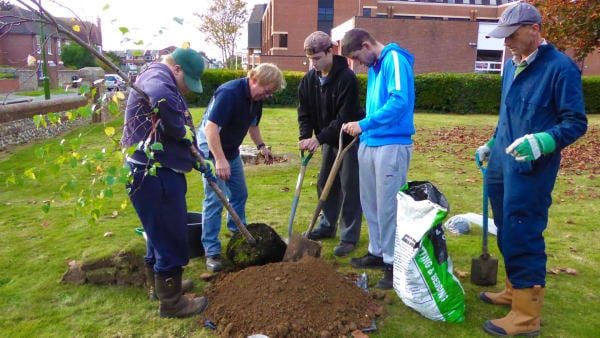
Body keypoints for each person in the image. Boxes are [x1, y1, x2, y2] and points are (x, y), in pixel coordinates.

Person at [477, 3, 587, 336]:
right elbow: (508, 114)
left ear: (534, 30)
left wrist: (542, 142)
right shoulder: (511, 66)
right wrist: (492, 143)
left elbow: (575, 123)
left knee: (523, 228)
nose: (506, 42)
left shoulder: (561, 69)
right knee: (504, 225)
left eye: (512, 35)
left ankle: (526, 316)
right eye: (503, 35)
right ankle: (514, 289)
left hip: (532, 168)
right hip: (502, 161)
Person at [122, 48, 208, 318]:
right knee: (170, 234)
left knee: (157, 234)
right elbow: (161, 100)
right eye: (186, 83)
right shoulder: (159, 81)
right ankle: (172, 302)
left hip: (149, 171)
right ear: (177, 69)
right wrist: (182, 133)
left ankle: (158, 288)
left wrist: (195, 153)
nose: (187, 91)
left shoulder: (154, 76)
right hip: (153, 174)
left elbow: (173, 114)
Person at [340, 28, 415, 289]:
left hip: (392, 144)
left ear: (366, 45)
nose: (357, 64)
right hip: (371, 142)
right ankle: (377, 250)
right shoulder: (376, 67)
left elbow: (399, 102)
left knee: (388, 206)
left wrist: (365, 123)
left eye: (356, 57)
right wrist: (363, 127)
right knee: (369, 202)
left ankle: (394, 263)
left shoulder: (394, 59)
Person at [196, 63, 286, 272]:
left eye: (271, 92)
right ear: (255, 79)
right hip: (210, 149)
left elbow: (252, 125)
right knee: (215, 199)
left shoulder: (256, 99)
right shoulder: (229, 93)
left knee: (239, 194)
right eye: (267, 90)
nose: (267, 95)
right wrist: (219, 159)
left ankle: (237, 235)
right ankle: (211, 251)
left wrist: (261, 146)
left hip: (231, 150)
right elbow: (210, 129)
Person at [297, 31, 364, 257]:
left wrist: (318, 138)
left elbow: (343, 118)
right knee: (324, 182)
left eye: (317, 58)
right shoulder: (308, 81)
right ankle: (327, 225)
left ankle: (349, 236)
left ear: (330, 51)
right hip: (327, 139)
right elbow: (304, 112)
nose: (313, 64)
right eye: (310, 59)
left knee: (349, 186)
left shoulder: (347, 79)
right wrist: (305, 137)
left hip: (349, 139)